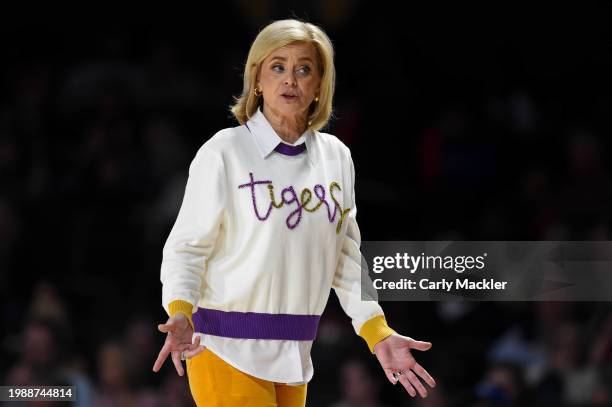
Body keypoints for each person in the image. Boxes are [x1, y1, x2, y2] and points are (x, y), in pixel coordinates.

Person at [152, 18, 436, 406]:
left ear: (319, 84)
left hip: (296, 351)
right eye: (278, 67)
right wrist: (180, 310)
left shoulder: (337, 157)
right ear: (257, 80)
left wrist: (377, 332)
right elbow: (187, 247)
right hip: (222, 346)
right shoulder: (224, 151)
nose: (290, 79)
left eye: (304, 69)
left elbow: (346, 259)